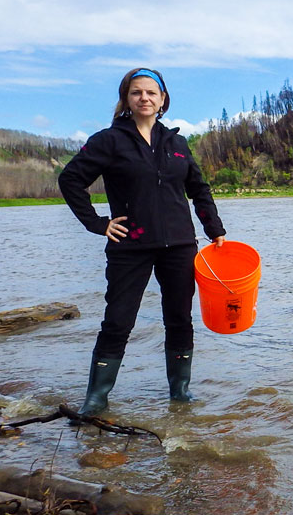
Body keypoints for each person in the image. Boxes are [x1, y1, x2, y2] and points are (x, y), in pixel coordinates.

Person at [58, 68, 226, 417]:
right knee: (118, 320)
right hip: (130, 246)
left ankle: (180, 394)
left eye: (152, 92)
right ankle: (96, 399)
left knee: (179, 318)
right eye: (137, 93)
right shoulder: (109, 140)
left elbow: (198, 189)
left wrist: (215, 230)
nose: (144, 98)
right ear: (126, 99)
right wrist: (97, 223)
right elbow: (71, 179)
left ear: (163, 99)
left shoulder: (177, 144)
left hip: (180, 246)